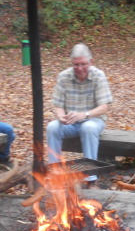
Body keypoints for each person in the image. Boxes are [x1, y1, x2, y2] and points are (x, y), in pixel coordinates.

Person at [46, 43, 113, 188]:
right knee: (52, 127)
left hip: (93, 120)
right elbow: (58, 105)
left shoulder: (98, 76)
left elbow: (104, 107)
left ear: (91, 62)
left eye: (83, 64)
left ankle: (91, 178)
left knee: (88, 128)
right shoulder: (64, 76)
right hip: (70, 122)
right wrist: (61, 117)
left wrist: (85, 114)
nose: (80, 68)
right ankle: (55, 173)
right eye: (76, 65)